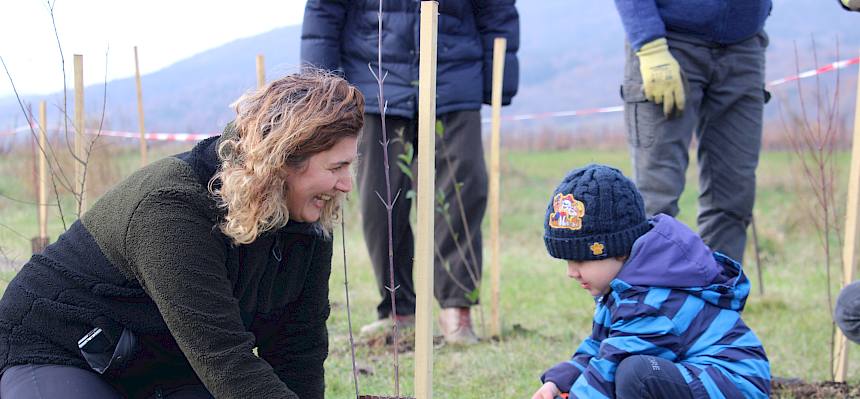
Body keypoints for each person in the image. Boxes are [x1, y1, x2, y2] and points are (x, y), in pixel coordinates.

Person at [0, 71, 364, 399]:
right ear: (283, 161)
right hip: (60, 352)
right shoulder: (172, 209)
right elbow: (224, 359)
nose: (347, 184)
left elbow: (297, 347)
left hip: (161, 364)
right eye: (337, 167)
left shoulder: (307, 219)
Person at [301, 0, 519, 344]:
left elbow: (496, 8)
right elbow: (325, 10)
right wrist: (321, 87)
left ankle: (456, 309)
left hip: (454, 76)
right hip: (374, 80)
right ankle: (397, 310)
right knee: (380, 198)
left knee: (462, 193)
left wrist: (499, 79)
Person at [530, 164, 771, 399]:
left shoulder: (651, 300)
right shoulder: (624, 287)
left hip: (733, 385)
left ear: (618, 249)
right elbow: (599, 348)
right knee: (630, 371)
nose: (571, 272)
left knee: (635, 374)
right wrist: (558, 382)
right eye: (567, 261)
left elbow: (609, 368)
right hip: (698, 379)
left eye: (580, 260)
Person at [614, 0, 771, 263]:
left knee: (733, 202)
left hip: (744, 45)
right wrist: (650, 44)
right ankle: (647, 301)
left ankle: (717, 300)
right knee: (655, 202)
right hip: (667, 43)